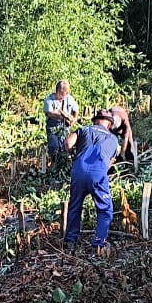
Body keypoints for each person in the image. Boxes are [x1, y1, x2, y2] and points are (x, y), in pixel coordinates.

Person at [62, 109, 122, 252]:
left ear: (95, 120)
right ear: (109, 124)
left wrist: (72, 155)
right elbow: (110, 163)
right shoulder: (114, 140)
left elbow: (68, 144)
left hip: (79, 171)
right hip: (98, 174)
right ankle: (99, 244)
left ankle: (70, 241)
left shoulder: (84, 129)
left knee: (75, 205)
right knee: (105, 210)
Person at [43, 80, 79, 168]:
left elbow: (76, 110)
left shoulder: (69, 98)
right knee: (54, 146)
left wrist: (74, 120)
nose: (63, 96)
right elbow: (50, 113)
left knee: (64, 146)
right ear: (57, 91)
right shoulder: (49, 100)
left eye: (65, 94)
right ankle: (54, 165)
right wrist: (63, 116)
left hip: (65, 127)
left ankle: (64, 166)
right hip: (53, 126)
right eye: (61, 94)